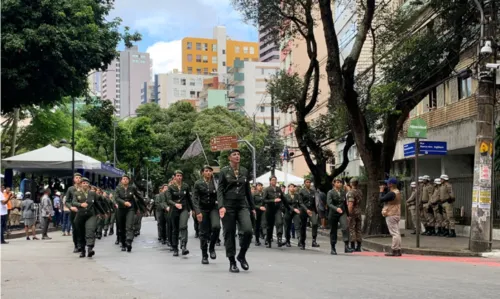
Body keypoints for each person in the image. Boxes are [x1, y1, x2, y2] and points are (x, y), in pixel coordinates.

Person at [217, 149, 255, 273]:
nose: (237, 156)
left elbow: (248, 190)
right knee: (229, 233)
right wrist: (221, 206)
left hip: (242, 205)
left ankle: (242, 255)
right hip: (228, 205)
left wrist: (252, 207)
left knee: (248, 230)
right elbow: (220, 190)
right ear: (229, 157)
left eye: (239, 154)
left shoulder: (244, 170)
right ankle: (232, 261)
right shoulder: (224, 171)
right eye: (234, 154)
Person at [193, 165, 221, 265]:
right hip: (203, 209)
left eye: (210, 171)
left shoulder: (215, 182)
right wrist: (198, 212)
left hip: (213, 208)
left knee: (216, 226)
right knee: (203, 233)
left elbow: (220, 194)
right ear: (202, 173)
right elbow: (195, 198)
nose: (208, 172)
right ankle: (204, 255)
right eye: (206, 171)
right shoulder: (198, 183)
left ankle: (212, 247)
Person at [72, 177, 105, 258]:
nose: (85, 184)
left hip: (91, 215)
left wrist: (103, 213)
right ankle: (82, 250)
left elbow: (97, 204)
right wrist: (80, 204)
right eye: (83, 183)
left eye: (87, 183)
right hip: (80, 215)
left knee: (90, 230)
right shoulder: (77, 193)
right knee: (81, 233)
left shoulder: (92, 193)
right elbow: (73, 202)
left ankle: (90, 249)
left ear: (89, 184)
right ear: (80, 184)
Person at [115, 174, 147, 252]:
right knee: (121, 227)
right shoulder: (118, 188)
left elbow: (139, 196)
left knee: (129, 226)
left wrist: (145, 205)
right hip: (121, 209)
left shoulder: (132, 188)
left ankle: (129, 242)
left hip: (130, 209)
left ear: (129, 181)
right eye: (123, 179)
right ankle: (123, 243)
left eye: (126, 179)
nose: (125, 180)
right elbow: (116, 198)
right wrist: (124, 202)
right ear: (121, 180)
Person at [166, 170, 193, 257]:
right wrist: (175, 204)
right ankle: (175, 248)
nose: (179, 177)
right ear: (174, 177)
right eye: (177, 176)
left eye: (180, 176)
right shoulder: (170, 187)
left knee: (183, 226)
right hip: (174, 210)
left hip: (184, 209)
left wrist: (194, 210)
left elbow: (189, 198)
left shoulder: (185, 186)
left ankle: (184, 246)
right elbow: (168, 200)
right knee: (175, 230)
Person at [326, 178, 353, 255]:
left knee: (345, 227)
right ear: (334, 183)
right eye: (337, 182)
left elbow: (345, 204)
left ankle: (347, 246)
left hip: (342, 212)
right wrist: (336, 208)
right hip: (333, 213)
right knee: (333, 231)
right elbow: (329, 203)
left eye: (340, 182)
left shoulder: (343, 192)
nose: (339, 184)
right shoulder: (330, 192)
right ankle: (333, 247)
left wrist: (348, 214)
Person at [380, 177, 402, 257]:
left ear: (391, 184)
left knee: (394, 233)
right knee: (397, 232)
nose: (386, 185)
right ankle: (398, 249)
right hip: (397, 213)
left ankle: (395, 250)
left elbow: (381, 199)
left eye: (388, 183)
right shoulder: (397, 192)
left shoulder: (392, 193)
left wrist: (381, 191)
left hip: (391, 214)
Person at [263, 176, 286, 248]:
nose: (274, 181)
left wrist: (289, 208)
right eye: (272, 180)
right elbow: (264, 200)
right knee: (269, 226)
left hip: (277, 209)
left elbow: (284, 199)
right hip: (269, 210)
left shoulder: (279, 189)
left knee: (280, 222)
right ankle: (268, 240)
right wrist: (273, 200)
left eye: (275, 180)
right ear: (270, 181)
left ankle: (279, 239)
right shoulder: (267, 189)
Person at [299, 178, 320, 248]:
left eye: (309, 182)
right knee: (303, 226)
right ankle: (302, 242)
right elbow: (301, 202)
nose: (308, 183)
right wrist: (306, 209)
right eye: (307, 182)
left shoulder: (312, 191)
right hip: (304, 210)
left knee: (315, 223)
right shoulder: (301, 191)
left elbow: (314, 202)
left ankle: (314, 240)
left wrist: (316, 211)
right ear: (304, 183)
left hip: (312, 209)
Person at [65, 173, 82, 253]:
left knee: (82, 228)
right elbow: (67, 201)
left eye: (79, 178)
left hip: (82, 211)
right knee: (75, 229)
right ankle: (76, 245)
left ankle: (81, 244)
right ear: (74, 179)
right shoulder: (70, 189)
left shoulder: (84, 188)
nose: (78, 179)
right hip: (74, 211)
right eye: (76, 178)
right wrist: (71, 207)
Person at [284, 183, 303, 248]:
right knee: (287, 227)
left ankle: (299, 240)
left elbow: (300, 203)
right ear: (288, 188)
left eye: (293, 187)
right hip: (288, 212)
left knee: (297, 226)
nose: (292, 188)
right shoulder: (285, 196)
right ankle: (288, 241)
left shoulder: (297, 195)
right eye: (291, 187)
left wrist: (299, 210)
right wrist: (293, 209)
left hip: (296, 213)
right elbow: (286, 205)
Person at [347, 178, 363, 252]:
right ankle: (359, 246)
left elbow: (350, 204)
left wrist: (349, 214)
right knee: (358, 228)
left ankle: (352, 245)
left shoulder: (351, 193)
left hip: (353, 212)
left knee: (351, 228)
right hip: (359, 211)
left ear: (351, 183)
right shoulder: (360, 192)